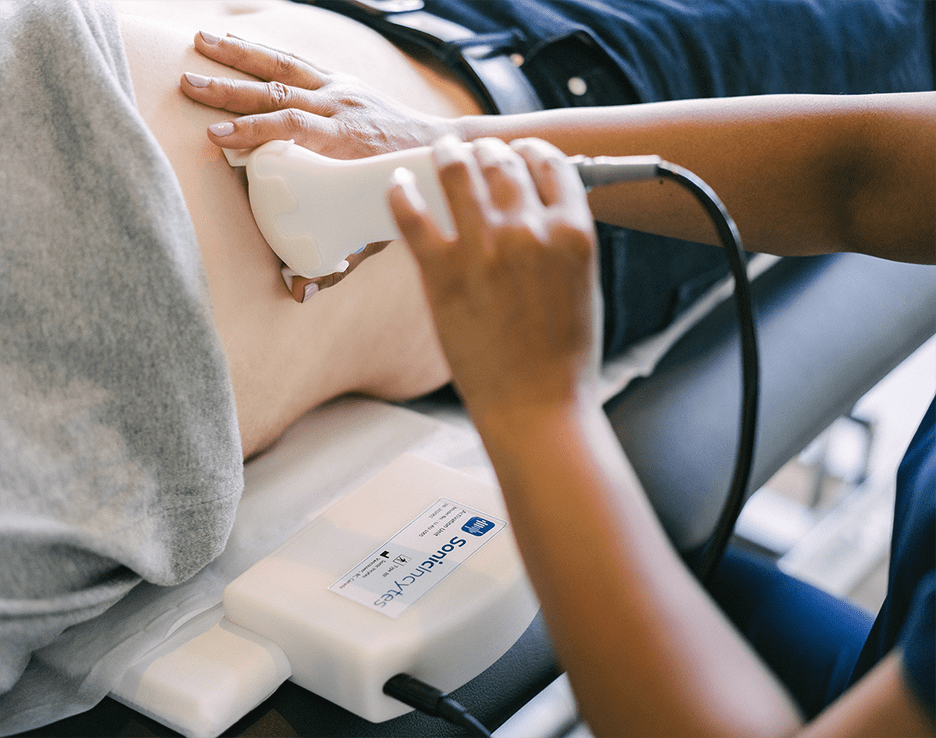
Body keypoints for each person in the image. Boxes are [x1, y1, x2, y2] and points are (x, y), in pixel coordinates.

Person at [0, 0, 930, 727]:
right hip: (513, 104)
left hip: (551, 89)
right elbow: (878, 165)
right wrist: (446, 145)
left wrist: (538, 408)